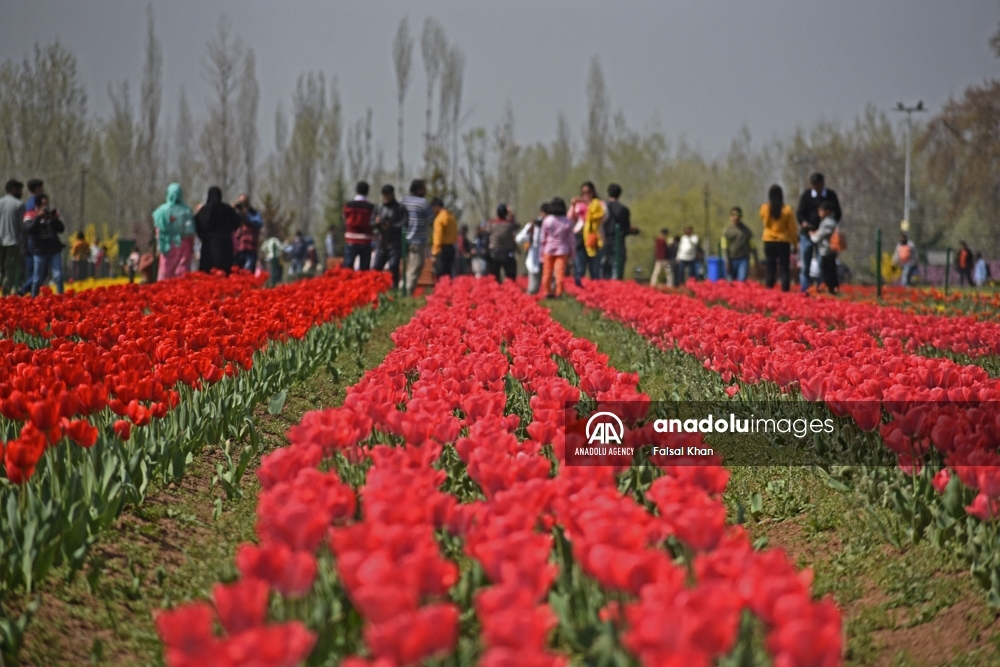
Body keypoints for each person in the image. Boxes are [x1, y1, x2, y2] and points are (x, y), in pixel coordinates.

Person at [796, 173, 842, 293]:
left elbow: (838, 214)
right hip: (807, 234)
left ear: (822, 184)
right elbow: (800, 213)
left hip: (824, 237)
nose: (816, 187)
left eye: (818, 185)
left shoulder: (830, 195)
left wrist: (828, 227)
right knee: (805, 265)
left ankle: (821, 288)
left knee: (823, 265)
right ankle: (805, 289)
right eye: (813, 185)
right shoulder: (807, 195)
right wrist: (804, 223)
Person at [152, 183, 196, 281]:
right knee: (182, 272)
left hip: (166, 244)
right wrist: (192, 248)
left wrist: (159, 246)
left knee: (165, 272)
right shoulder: (186, 211)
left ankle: (163, 294)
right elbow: (191, 233)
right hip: (183, 245)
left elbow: (158, 231)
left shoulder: (161, 211)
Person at [24, 194, 65, 296]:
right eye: (44, 204)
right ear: (37, 205)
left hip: (54, 250)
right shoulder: (30, 215)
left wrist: (54, 219)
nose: (46, 207)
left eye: (47, 204)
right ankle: (34, 299)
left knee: (58, 276)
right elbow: (29, 230)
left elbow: (61, 229)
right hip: (39, 252)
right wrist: (38, 217)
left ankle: (61, 297)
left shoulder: (51, 215)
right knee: (37, 278)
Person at [760, 184, 798, 292]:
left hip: (769, 241)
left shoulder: (765, 208)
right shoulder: (787, 210)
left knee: (770, 267)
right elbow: (792, 229)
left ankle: (769, 289)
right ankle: (785, 290)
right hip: (783, 241)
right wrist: (795, 244)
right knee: (784, 268)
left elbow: (764, 222)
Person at [194, 186, 241, 273]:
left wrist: (203, 236)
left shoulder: (204, 211)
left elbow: (197, 226)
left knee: (208, 274)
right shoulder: (227, 210)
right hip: (225, 248)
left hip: (208, 249)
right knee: (225, 274)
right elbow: (237, 223)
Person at [569, 181, 605, 285]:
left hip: (594, 237)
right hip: (580, 238)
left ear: (593, 192)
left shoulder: (599, 204)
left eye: (588, 192)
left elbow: (604, 216)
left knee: (595, 269)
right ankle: (580, 290)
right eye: (583, 192)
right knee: (579, 268)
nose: (586, 195)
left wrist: (590, 205)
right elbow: (570, 219)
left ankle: (595, 290)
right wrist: (573, 205)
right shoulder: (578, 205)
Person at [401, 179, 432, 294]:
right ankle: (406, 291)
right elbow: (430, 219)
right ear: (419, 190)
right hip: (417, 239)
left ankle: (404, 288)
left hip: (404, 239)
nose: (426, 190)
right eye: (424, 188)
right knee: (416, 265)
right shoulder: (422, 202)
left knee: (409, 265)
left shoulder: (403, 200)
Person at [602, 183, 639, 279]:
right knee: (617, 268)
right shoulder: (623, 209)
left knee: (603, 267)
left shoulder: (601, 207)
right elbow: (626, 228)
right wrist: (634, 231)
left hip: (602, 240)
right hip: (617, 242)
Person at [372, 184, 406, 288]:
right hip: (381, 243)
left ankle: (394, 290)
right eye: (384, 195)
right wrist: (377, 223)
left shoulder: (399, 207)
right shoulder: (378, 207)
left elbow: (404, 223)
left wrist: (391, 226)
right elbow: (370, 223)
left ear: (392, 195)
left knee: (393, 267)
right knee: (376, 269)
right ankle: (376, 289)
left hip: (395, 244)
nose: (386, 197)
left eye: (388, 195)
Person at [540, 197, 574, 298]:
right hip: (562, 250)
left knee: (547, 272)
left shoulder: (547, 220)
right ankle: (559, 292)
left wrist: (540, 252)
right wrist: (572, 252)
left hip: (548, 249)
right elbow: (571, 239)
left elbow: (542, 238)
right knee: (559, 272)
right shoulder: (567, 221)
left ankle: (547, 292)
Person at [17, 179, 45, 295]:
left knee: (32, 272)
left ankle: (32, 297)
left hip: (27, 240)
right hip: (34, 241)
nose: (43, 190)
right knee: (40, 273)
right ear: (37, 189)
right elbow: (30, 223)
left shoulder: (27, 203)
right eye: (42, 188)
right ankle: (22, 291)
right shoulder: (35, 204)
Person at [516, 203, 547, 295]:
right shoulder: (533, 226)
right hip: (534, 259)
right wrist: (530, 229)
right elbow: (519, 239)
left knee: (548, 289)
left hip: (547, 259)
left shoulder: (551, 225)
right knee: (533, 288)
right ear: (541, 213)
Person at [343, 181, 375, 271]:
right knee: (364, 269)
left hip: (351, 239)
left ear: (356, 190)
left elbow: (344, 218)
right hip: (366, 240)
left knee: (348, 267)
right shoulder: (371, 207)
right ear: (367, 192)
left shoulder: (348, 205)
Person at [0, 179, 24, 295]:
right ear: (14, 189)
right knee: (9, 271)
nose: (21, 193)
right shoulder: (19, 204)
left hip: (0, 241)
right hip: (13, 242)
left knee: (1, 270)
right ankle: (5, 295)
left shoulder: (0, 202)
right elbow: (22, 226)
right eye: (20, 190)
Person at [810, 200, 839, 294]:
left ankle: (831, 290)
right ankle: (832, 289)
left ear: (828, 211)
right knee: (831, 272)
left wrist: (811, 234)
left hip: (827, 251)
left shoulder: (827, 223)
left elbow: (817, 238)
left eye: (821, 210)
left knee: (827, 273)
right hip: (830, 251)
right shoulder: (831, 221)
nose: (819, 213)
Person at [487, 203, 519, 283]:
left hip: (494, 252)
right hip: (507, 253)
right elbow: (517, 225)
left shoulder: (491, 223)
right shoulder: (509, 224)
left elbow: (487, 232)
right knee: (510, 277)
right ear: (506, 213)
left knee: (494, 277)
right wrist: (511, 214)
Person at [232, 193, 263, 272]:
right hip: (237, 250)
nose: (243, 205)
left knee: (248, 272)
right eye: (240, 203)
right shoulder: (236, 214)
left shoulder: (254, 213)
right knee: (236, 273)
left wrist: (246, 215)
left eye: (244, 203)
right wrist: (232, 209)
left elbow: (259, 223)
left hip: (250, 248)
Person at [723, 207, 754, 282]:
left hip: (743, 259)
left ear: (741, 216)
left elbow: (753, 246)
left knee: (741, 281)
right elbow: (724, 247)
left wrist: (756, 261)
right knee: (730, 282)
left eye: (738, 215)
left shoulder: (747, 230)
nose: (736, 217)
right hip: (731, 260)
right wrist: (727, 262)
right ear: (730, 216)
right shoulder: (727, 231)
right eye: (733, 215)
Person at [430, 197, 457, 279]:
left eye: (432, 209)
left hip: (442, 250)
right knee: (449, 274)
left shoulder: (439, 219)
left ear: (436, 207)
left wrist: (434, 253)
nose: (432, 211)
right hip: (451, 248)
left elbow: (438, 237)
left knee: (441, 275)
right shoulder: (451, 217)